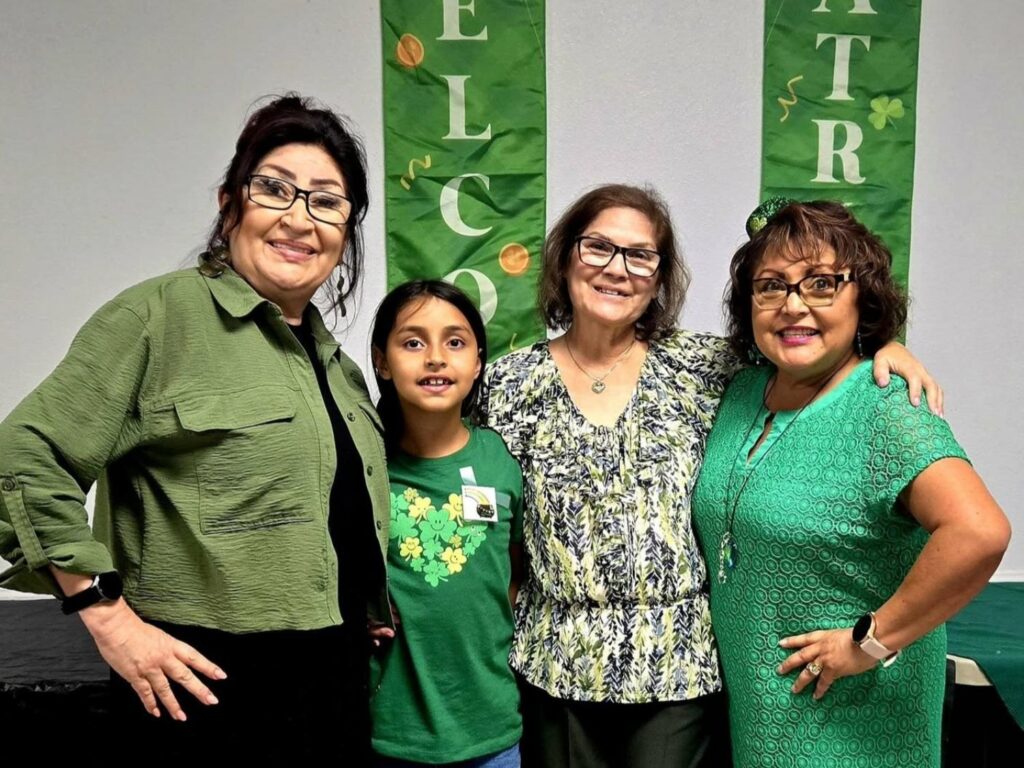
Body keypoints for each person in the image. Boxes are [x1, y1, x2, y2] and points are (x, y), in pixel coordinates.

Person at [482, 185, 941, 768]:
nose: (617, 269)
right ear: (565, 256)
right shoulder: (506, 384)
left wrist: (885, 346)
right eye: (598, 247)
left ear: (660, 276)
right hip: (551, 662)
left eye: (640, 255)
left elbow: (809, 345)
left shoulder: (708, 366)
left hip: (681, 666)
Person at [0, 94, 390, 758]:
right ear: (229, 201)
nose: (300, 218)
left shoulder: (338, 368)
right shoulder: (160, 318)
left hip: (335, 688)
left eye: (326, 202)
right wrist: (106, 618)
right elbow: (24, 455)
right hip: (207, 694)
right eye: (275, 190)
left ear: (345, 231)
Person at [692, 199, 1010, 768]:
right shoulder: (743, 392)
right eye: (771, 286)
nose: (794, 306)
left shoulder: (886, 405)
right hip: (761, 716)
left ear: (861, 297)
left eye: (821, 284)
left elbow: (979, 532)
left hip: (858, 720)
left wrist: (870, 642)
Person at [367, 280, 524, 767]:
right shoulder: (367, 468)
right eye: (413, 342)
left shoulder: (499, 458)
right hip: (393, 732)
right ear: (381, 361)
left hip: (490, 728)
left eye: (455, 342)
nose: (435, 358)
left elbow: (513, 569)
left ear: (478, 361)